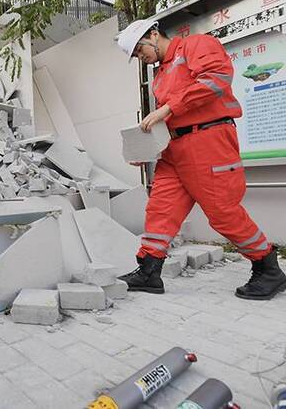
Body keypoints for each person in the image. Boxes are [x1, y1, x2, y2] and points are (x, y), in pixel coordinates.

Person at [115, 20, 286, 300]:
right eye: (135, 56)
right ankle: (148, 270)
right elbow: (168, 121)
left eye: (139, 50)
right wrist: (146, 150)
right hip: (175, 149)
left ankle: (268, 268)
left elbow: (216, 79)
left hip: (208, 141)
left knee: (222, 211)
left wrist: (168, 108)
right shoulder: (161, 74)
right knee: (160, 208)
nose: (140, 57)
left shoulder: (195, 45)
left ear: (154, 35)